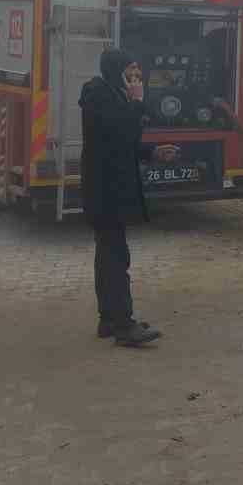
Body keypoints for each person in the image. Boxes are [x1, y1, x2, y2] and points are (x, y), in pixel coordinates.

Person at [79, 48, 178, 346]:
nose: (136, 76)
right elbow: (117, 131)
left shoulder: (114, 95)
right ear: (116, 71)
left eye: (137, 70)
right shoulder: (97, 95)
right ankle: (124, 326)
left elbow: (124, 142)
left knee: (108, 256)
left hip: (112, 189)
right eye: (131, 70)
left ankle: (109, 320)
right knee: (115, 259)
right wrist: (136, 102)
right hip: (105, 190)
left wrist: (153, 152)